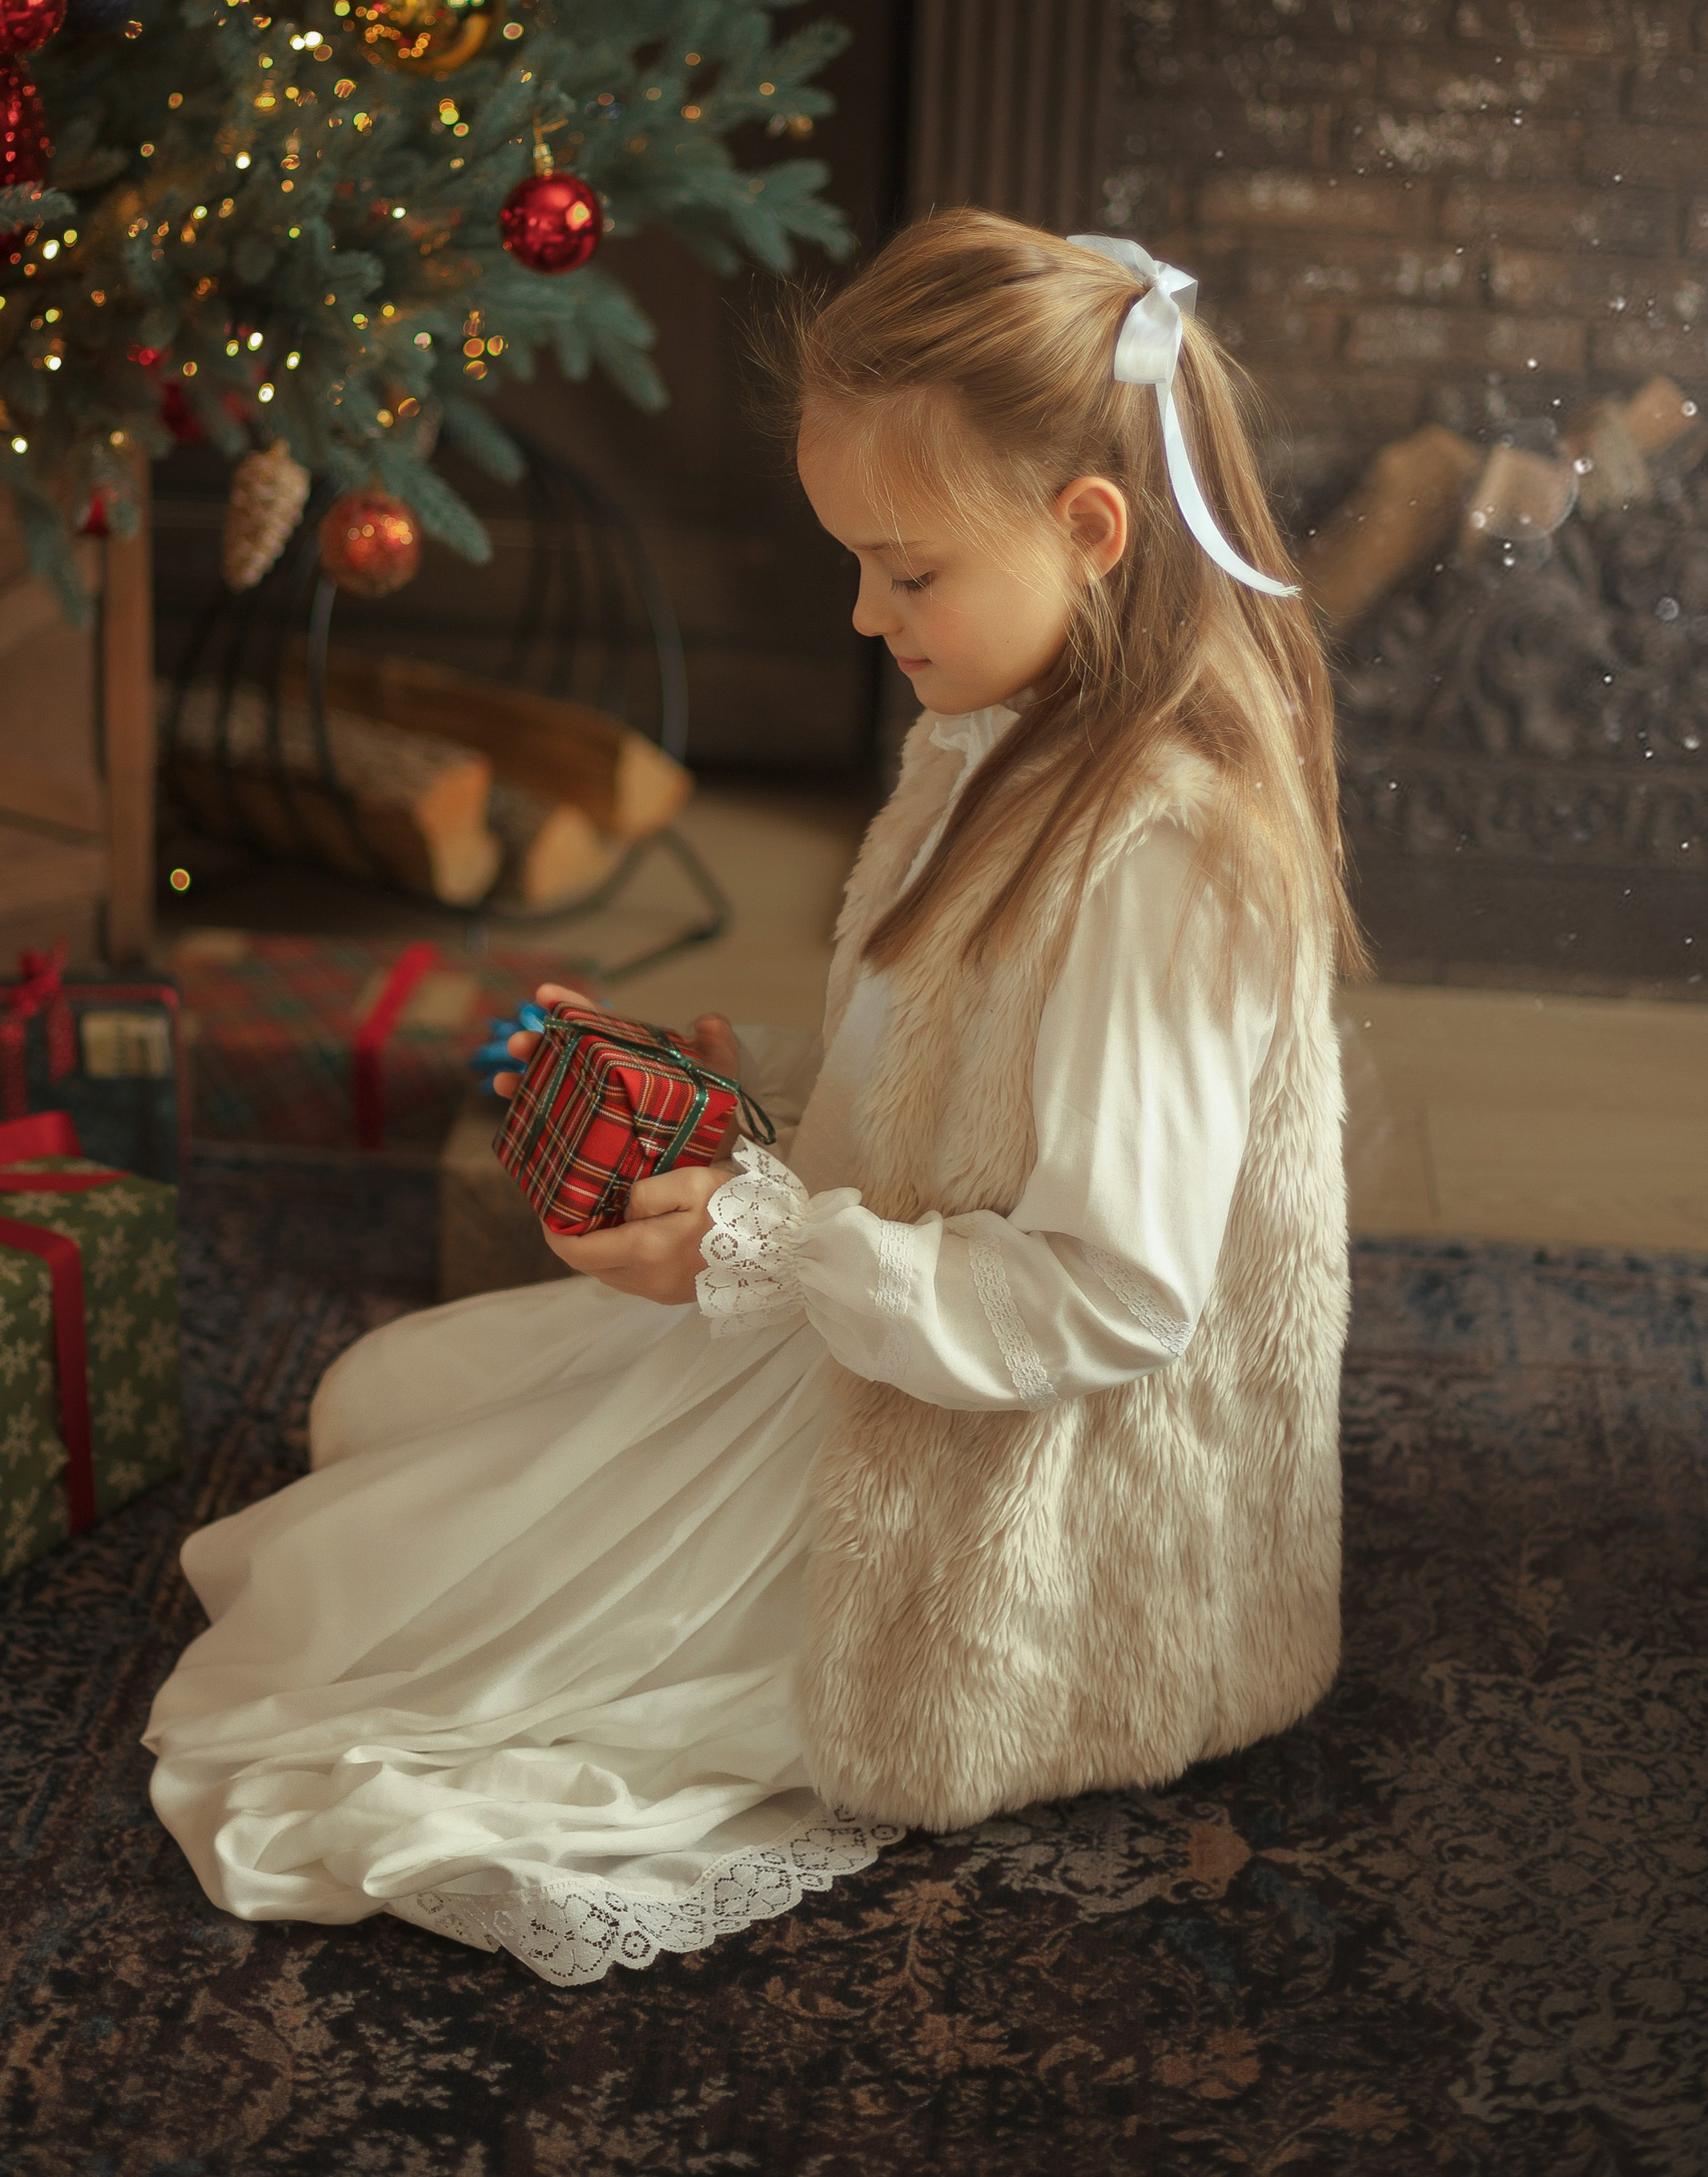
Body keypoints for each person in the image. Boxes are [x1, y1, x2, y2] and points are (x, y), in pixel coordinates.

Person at [145, 211, 1358, 1986]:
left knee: (336, 1610)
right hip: (885, 1318)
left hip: (995, 1455)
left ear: (1087, 534)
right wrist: (710, 1083)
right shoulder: (995, 738)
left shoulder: (1163, 855)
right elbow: (938, 1092)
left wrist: (767, 1243)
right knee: (367, 1410)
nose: (866, 615)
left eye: (904, 569)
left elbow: (1109, 1296)